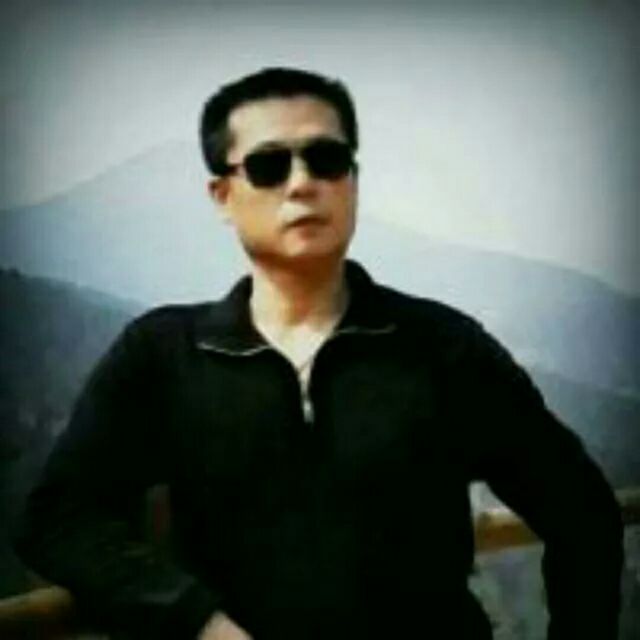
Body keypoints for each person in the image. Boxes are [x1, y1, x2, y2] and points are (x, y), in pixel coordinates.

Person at [16, 67, 623, 640]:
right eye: (269, 166)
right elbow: (57, 518)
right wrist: (196, 621)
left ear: (352, 181)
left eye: (327, 159)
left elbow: (581, 510)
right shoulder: (165, 354)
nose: (303, 182)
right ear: (223, 195)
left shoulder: (443, 348)